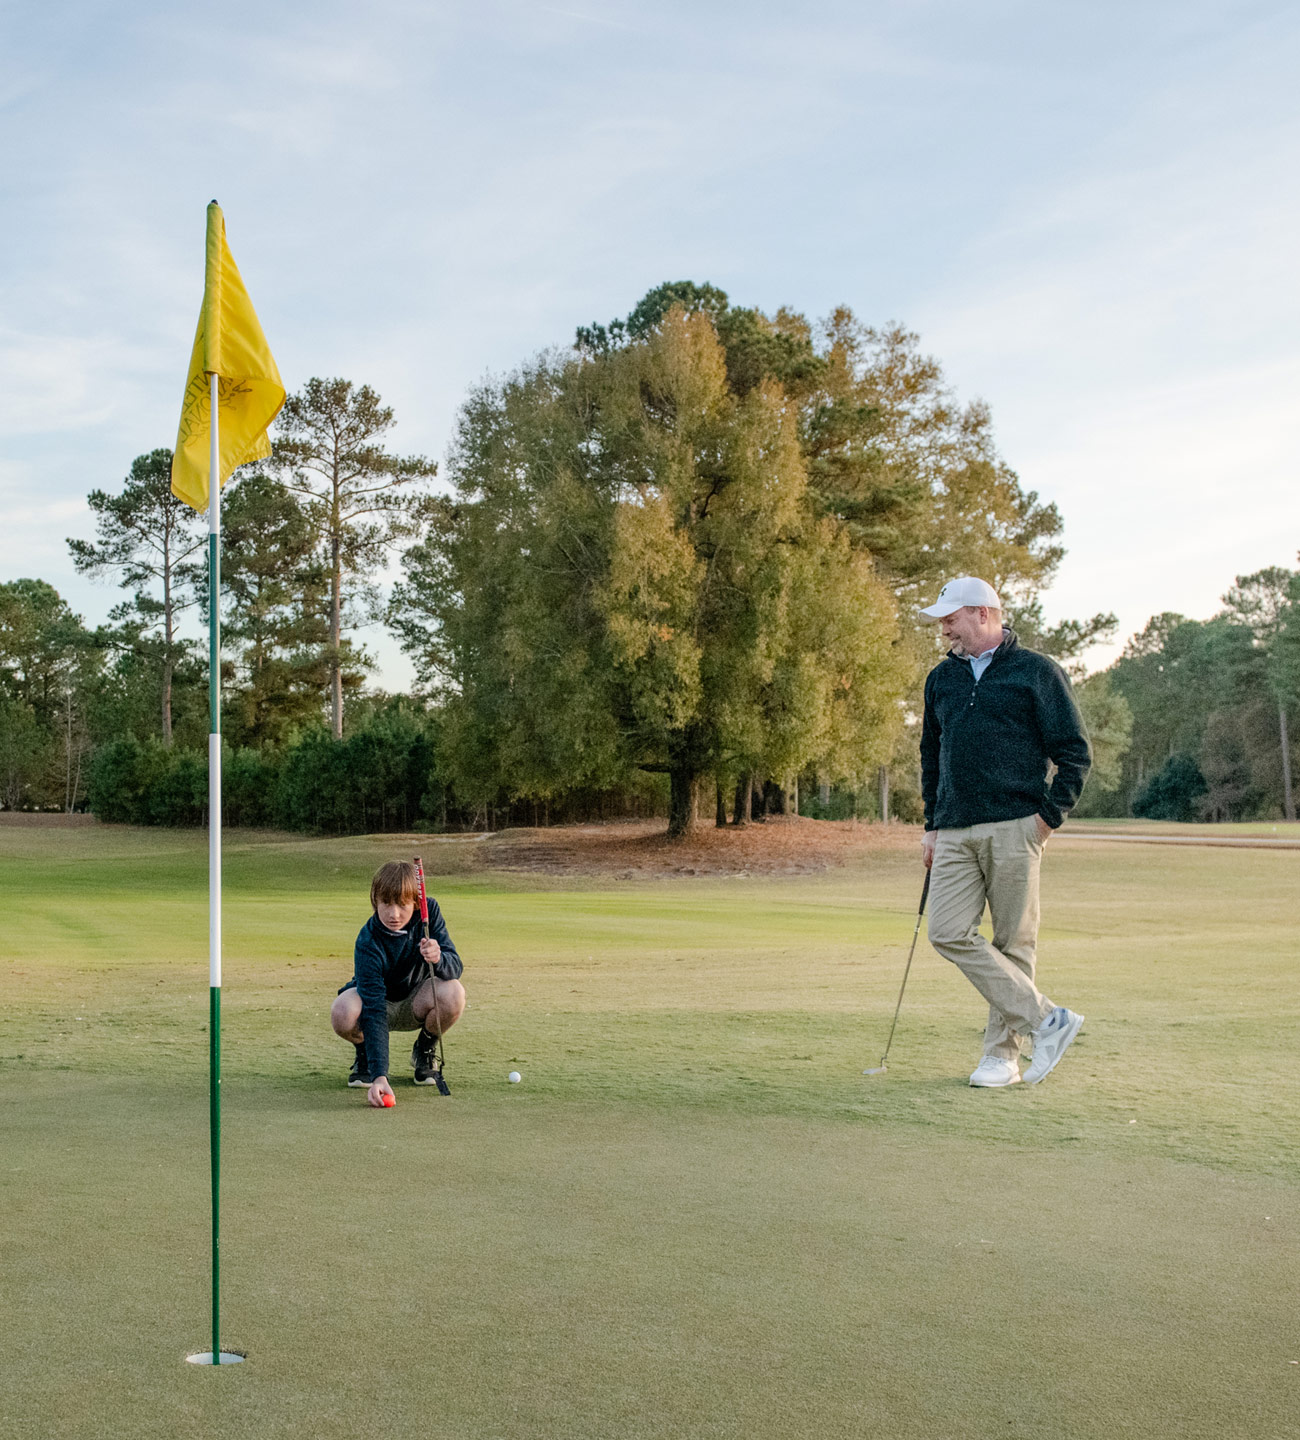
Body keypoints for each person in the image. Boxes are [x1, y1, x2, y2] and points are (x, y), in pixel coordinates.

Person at [918, 576, 1090, 1087]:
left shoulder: (1036, 672)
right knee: (946, 931)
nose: (945, 630)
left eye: (951, 619)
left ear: (984, 615)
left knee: (1013, 942)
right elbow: (931, 755)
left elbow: (1074, 753)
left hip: (1017, 826)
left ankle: (1001, 1057)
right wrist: (931, 823)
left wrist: (1046, 819)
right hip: (952, 828)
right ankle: (1048, 1021)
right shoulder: (940, 680)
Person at [330, 860, 466, 1108]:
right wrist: (379, 1075)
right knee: (342, 1011)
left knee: (453, 991)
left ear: (415, 903)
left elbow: (455, 965)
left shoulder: (428, 913)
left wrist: (439, 957)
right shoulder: (368, 940)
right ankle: (365, 1056)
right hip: (377, 1004)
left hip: (416, 1001)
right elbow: (372, 1006)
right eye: (386, 904)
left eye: (402, 905)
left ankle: (424, 1050)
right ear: (375, 902)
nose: (394, 914)